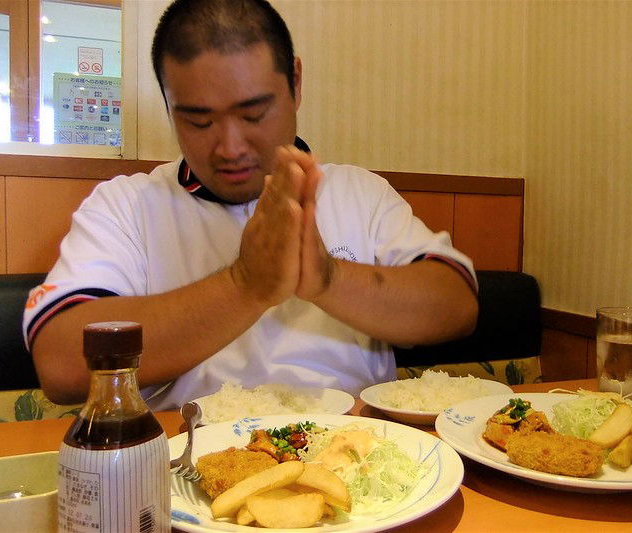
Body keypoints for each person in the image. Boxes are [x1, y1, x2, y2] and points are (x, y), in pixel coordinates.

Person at [24, 0, 478, 410]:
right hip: (183, 465)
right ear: (168, 102)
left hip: (357, 457)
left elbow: (457, 306)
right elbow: (61, 364)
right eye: (198, 120)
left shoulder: (361, 194)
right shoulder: (126, 205)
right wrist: (247, 284)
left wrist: (327, 277)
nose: (229, 147)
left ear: (295, 83)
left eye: (253, 114)